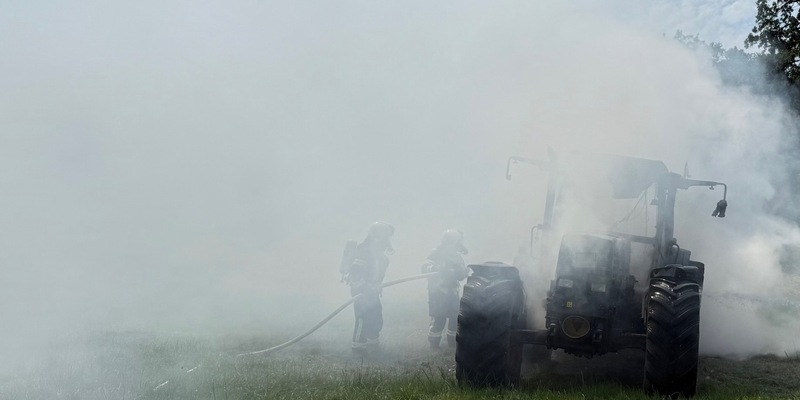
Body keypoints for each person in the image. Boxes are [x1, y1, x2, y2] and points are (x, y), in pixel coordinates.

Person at [345, 221, 394, 354]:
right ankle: (358, 349)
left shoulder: (381, 257)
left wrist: (375, 286)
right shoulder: (364, 252)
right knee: (362, 318)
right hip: (361, 292)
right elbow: (355, 275)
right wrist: (366, 287)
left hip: (373, 293)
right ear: (377, 237)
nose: (387, 242)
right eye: (385, 238)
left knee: (376, 317)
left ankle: (373, 346)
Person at [421, 229, 469, 349]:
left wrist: (461, 272)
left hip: (452, 292)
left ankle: (452, 344)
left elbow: (462, 274)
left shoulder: (457, 257)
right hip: (438, 291)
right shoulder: (436, 253)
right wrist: (436, 268)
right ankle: (434, 345)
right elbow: (424, 267)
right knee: (439, 318)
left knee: (454, 318)